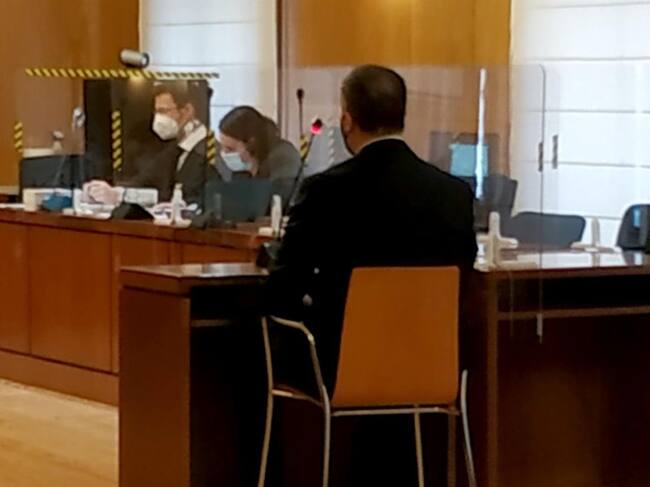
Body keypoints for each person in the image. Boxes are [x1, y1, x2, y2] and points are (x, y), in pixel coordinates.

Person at [265, 65, 478, 486]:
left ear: (347, 120)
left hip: (341, 367)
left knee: (258, 343)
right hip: (431, 364)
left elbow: (285, 283)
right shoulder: (453, 192)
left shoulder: (326, 189)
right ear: (403, 115)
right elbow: (463, 274)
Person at [85, 83, 212, 206]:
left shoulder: (207, 152)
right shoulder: (174, 150)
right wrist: (111, 192)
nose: (158, 118)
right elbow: (144, 182)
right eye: (156, 112)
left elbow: (184, 199)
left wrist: (121, 196)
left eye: (163, 111)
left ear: (187, 111)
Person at [218, 106, 301, 181]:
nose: (224, 154)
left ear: (251, 143)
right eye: (222, 147)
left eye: (230, 149)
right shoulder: (242, 168)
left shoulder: (284, 160)